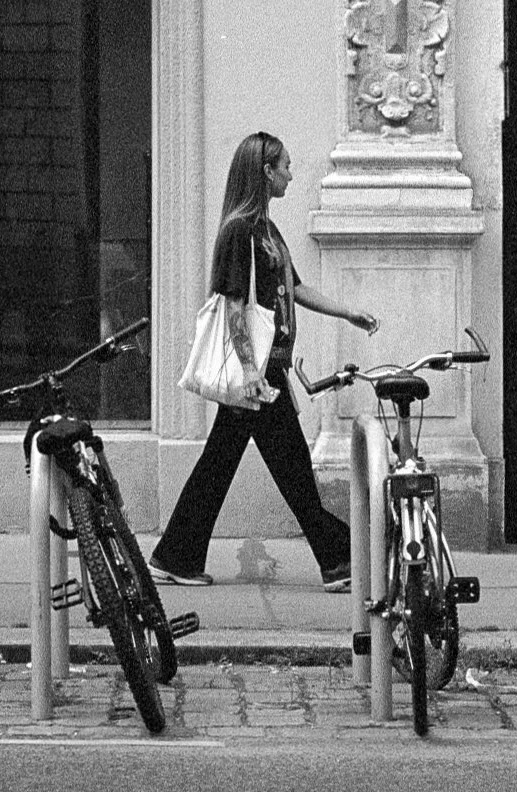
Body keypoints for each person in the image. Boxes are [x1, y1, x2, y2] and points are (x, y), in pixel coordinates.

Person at [152, 132, 379, 592]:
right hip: (258, 375)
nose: (292, 175)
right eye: (286, 167)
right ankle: (338, 559)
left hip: (265, 371)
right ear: (265, 172)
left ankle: (175, 554)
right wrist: (251, 373)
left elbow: (293, 289)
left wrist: (347, 313)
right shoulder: (240, 230)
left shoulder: (266, 230)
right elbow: (234, 304)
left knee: (220, 467)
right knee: (293, 472)